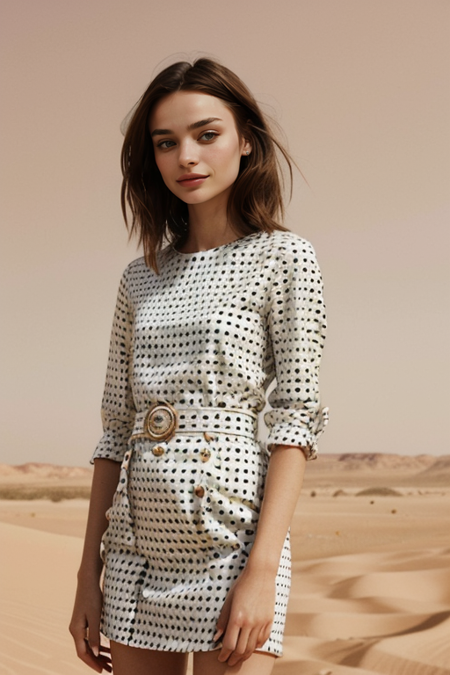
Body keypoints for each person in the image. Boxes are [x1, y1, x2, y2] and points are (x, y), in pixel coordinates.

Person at [69, 56, 329, 675]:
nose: (186, 156)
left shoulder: (285, 257)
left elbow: (296, 418)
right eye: (166, 142)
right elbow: (114, 432)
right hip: (136, 545)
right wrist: (88, 574)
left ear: (246, 141)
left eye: (206, 134)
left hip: (234, 544)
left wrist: (263, 569)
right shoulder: (140, 278)